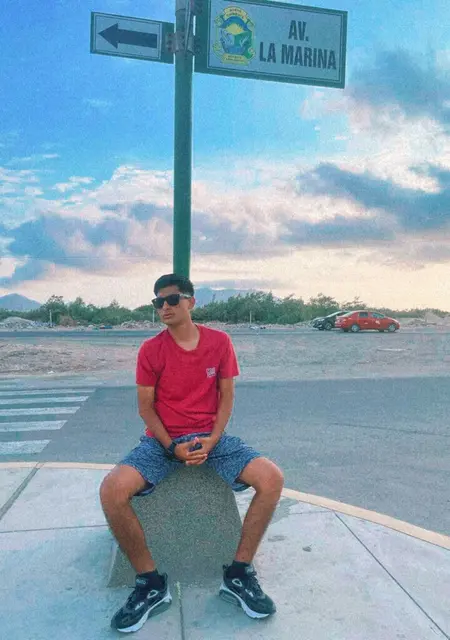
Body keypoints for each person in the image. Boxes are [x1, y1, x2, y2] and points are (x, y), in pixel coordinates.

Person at [100, 273, 284, 634]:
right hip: (161, 442)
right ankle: (150, 584)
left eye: (172, 299)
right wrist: (172, 446)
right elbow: (146, 408)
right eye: (158, 302)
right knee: (111, 490)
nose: (164, 307)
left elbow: (226, 396)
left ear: (191, 302)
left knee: (272, 478)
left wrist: (213, 440)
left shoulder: (219, 342)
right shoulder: (151, 350)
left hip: (211, 438)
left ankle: (239, 574)